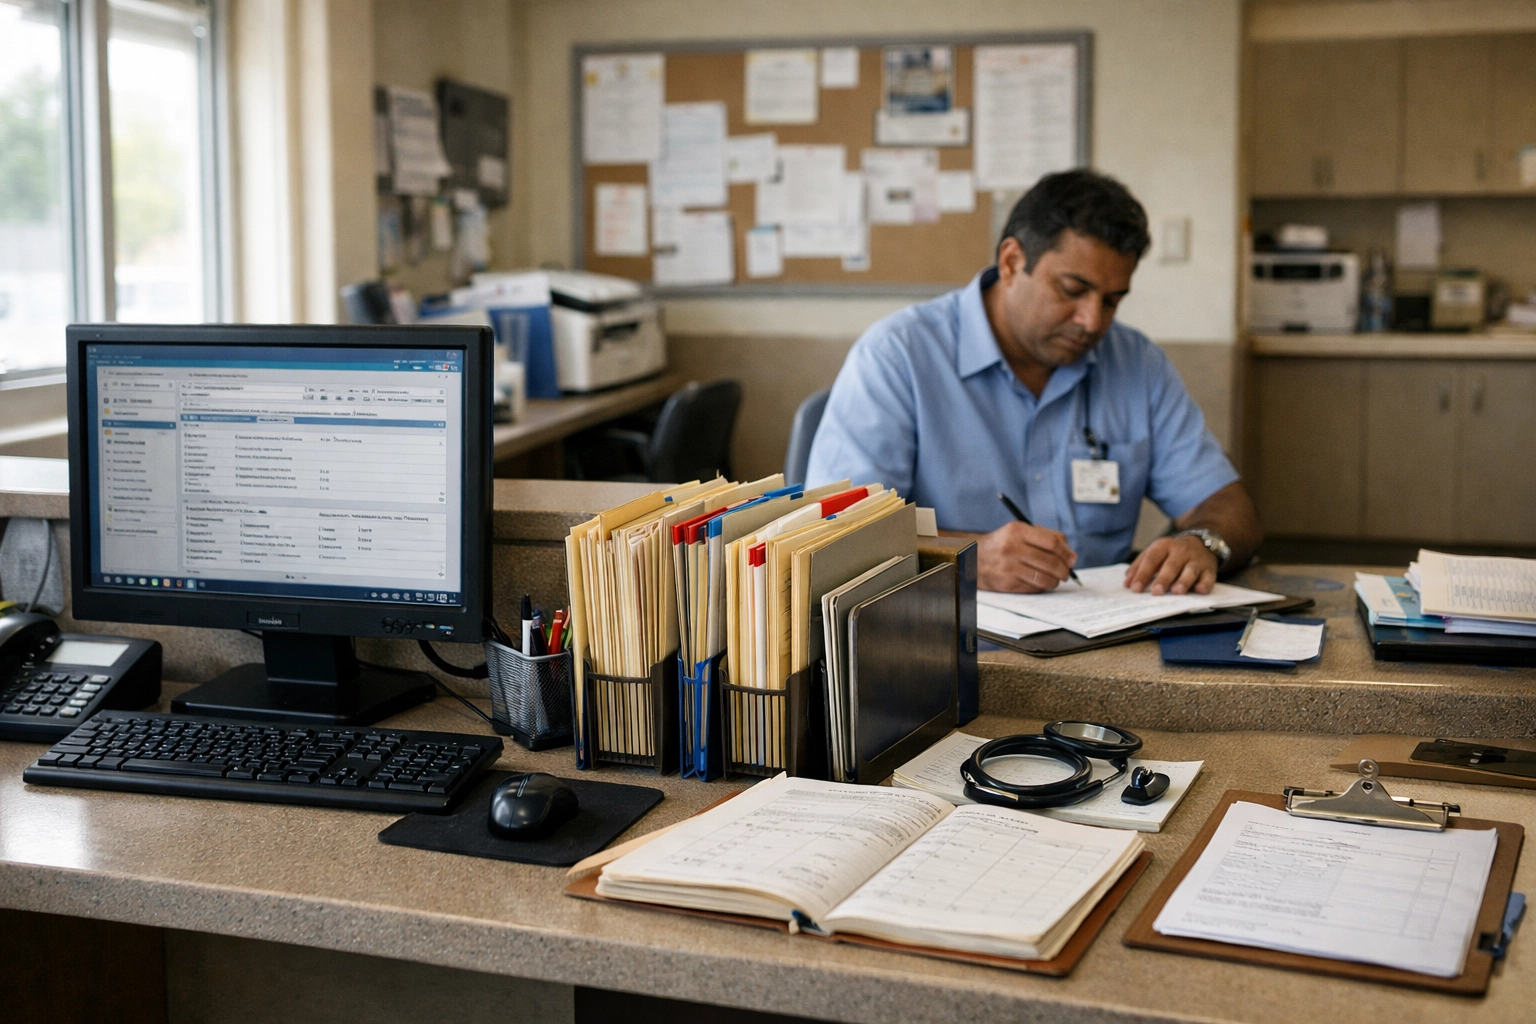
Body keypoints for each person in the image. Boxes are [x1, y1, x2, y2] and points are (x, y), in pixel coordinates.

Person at [806, 169, 1261, 596]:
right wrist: (966, 558)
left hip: (1101, 645)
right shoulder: (897, 357)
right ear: (1011, 261)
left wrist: (1203, 543)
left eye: (1112, 301)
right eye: (1072, 289)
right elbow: (837, 534)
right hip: (945, 646)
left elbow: (1230, 506)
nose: (1091, 321)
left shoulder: (1136, 364)